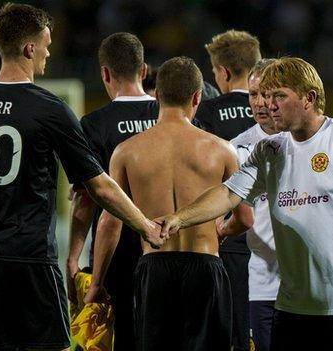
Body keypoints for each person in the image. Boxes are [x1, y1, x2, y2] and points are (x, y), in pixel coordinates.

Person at [0, 4, 161, 350]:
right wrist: (145, 225)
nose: (50, 52)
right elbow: (98, 186)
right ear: (29, 48)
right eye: (47, 44)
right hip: (30, 258)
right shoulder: (49, 108)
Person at [157, 57, 333, 351]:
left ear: (309, 98)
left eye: (279, 95)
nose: (268, 105)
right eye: (265, 96)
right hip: (293, 311)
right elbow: (229, 194)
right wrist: (180, 218)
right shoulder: (270, 150)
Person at [84, 56, 253, 351]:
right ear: (198, 96)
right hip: (205, 266)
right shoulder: (222, 150)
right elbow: (246, 219)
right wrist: (221, 232)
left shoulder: (126, 151)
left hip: (154, 268)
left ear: (157, 95)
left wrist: (97, 283)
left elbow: (109, 221)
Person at [67, 32, 158, 351]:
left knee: (121, 340)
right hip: (168, 248)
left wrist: (73, 259)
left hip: (114, 255)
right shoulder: (170, 118)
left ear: (105, 73)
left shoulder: (92, 125)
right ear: (144, 70)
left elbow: (85, 201)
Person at [193, 29, 262, 351]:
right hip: (280, 236)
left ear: (221, 71)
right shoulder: (276, 111)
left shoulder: (206, 113)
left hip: (230, 239)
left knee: (233, 335)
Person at [216, 58, 279, 351]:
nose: (259, 102)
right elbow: (229, 206)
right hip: (262, 281)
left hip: (308, 279)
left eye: (267, 93)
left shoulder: (312, 141)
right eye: (253, 94)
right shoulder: (236, 148)